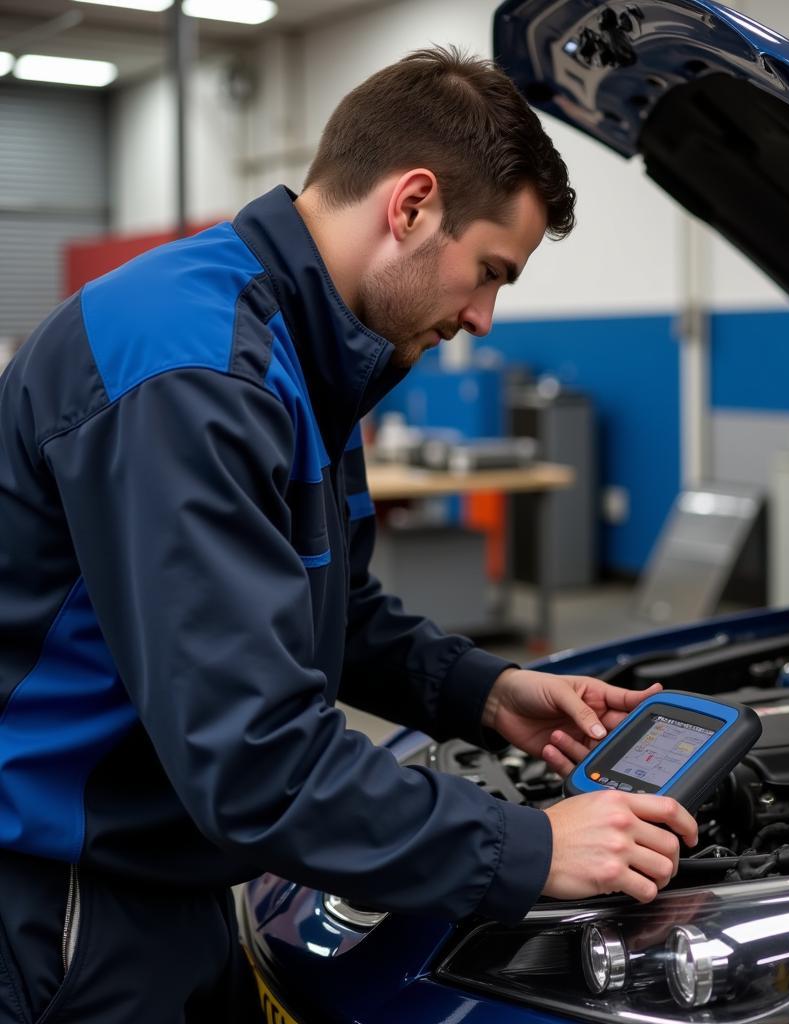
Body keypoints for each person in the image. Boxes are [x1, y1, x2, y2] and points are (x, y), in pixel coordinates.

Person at [0, 47, 696, 1023]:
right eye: (489, 271)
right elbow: (254, 757)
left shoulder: (293, 344)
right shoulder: (194, 372)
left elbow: (320, 605)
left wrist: (485, 691)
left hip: (166, 869)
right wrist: (528, 846)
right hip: (61, 901)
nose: (485, 318)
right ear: (411, 204)